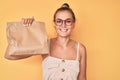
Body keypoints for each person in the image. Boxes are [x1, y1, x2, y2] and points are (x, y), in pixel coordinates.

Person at [5, 3, 87, 80]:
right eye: (59, 21)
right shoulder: (45, 44)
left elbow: (82, 79)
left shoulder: (80, 49)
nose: (63, 25)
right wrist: (26, 29)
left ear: (73, 23)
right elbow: (9, 55)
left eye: (68, 21)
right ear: (54, 24)